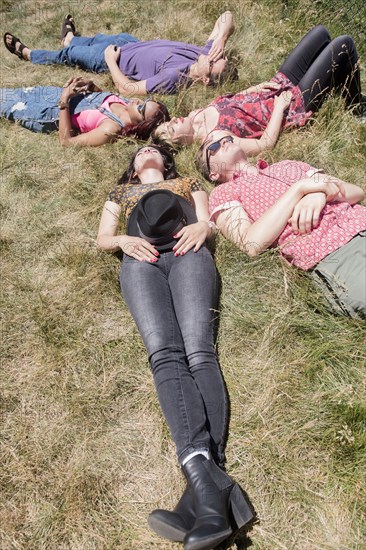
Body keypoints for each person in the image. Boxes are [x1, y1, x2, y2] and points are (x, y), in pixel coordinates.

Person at [96, 144, 255, 549]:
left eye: (154, 148)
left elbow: (207, 221)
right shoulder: (119, 194)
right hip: (141, 262)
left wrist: (206, 228)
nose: (146, 150)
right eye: (140, 149)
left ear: (166, 162)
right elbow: (102, 238)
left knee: (199, 351)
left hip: (190, 254)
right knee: (164, 355)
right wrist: (121, 242)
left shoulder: (186, 182)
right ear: (132, 167)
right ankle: (212, 492)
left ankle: (200, 493)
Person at [195, 135, 366, 318]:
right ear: (213, 173)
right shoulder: (223, 193)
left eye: (226, 139)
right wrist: (300, 189)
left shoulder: (286, 166)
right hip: (333, 252)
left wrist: (318, 195)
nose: (223, 142)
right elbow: (251, 243)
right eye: (213, 147)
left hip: (359, 220)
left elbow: (356, 191)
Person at [155, 25, 366, 155]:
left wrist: (253, 89)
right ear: (180, 143)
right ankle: (357, 107)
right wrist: (279, 108)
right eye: (172, 129)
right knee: (343, 44)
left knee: (321, 33)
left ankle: (341, 84)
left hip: (273, 87)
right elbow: (264, 145)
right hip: (290, 104)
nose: (174, 120)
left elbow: (231, 102)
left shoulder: (195, 115)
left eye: (169, 121)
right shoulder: (214, 139)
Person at [3, 11, 236, 96]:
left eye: (217, 62)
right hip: (129, 43)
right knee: (95, 39)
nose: (217, 56)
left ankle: (28, 54)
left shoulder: (175, 77)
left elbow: (129, 90)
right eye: (221, 55)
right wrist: (222, 39)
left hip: (115, 58)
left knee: (71, 56)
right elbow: (226, 15)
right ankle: (69, 38)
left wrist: (110, 61)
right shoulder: (206, 53)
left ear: (206, 79)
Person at [0, 77, 169, 146]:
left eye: (141, 108)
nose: (138, 101)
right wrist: (92, 86)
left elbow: (66, 142)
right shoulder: (125, 103)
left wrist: (65, 99)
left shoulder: (111, 129)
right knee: (7, 93)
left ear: (141, 124)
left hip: (46, 113)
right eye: (146, 100)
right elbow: (101, 98)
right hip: (53, 93)